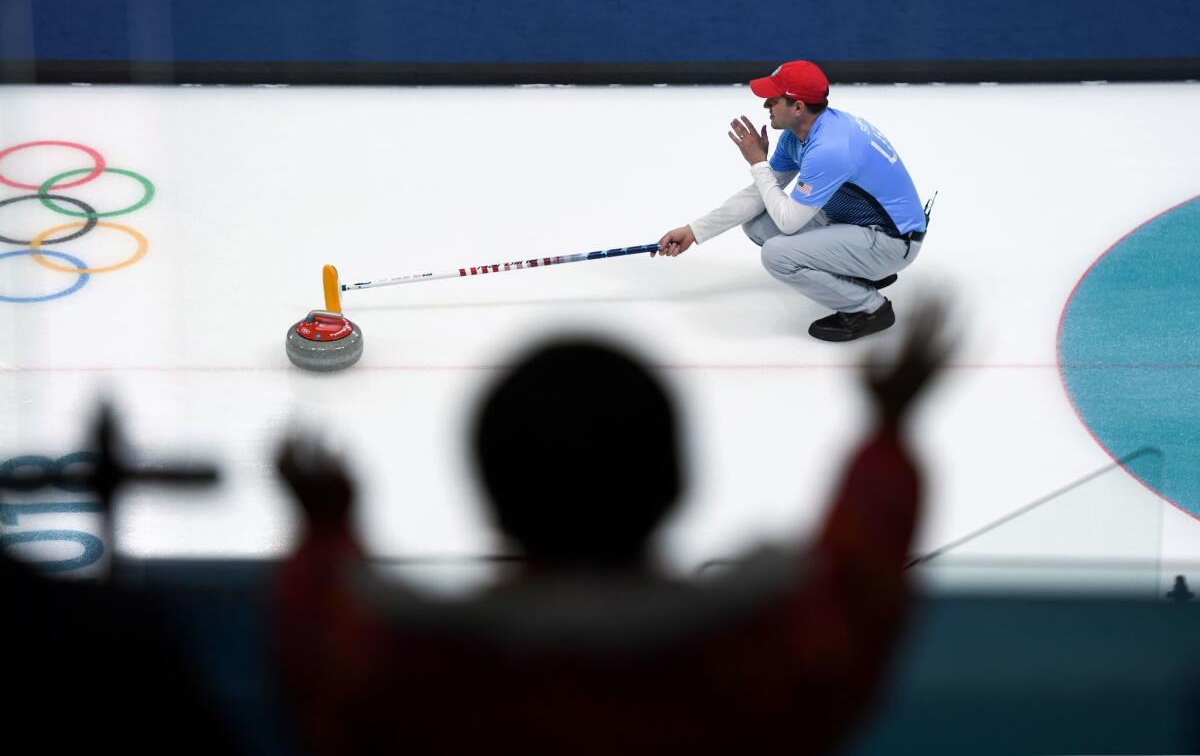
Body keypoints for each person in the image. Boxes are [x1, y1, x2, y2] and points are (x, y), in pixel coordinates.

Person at [272, 301, 951, 755]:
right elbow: (858, 588)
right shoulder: (761, 668)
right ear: (678, 486)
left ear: (491, 498)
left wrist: (324, 527)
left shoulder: (406, 680)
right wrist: (888, 431)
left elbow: (315, 653)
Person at [657, 60, 930, 342]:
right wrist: (694, 231)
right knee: (758, 223)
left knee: (776, 254)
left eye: (773, 100)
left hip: (892, 243)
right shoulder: (798, 135)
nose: (765, 106)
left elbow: (788, 223)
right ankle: (857, 274)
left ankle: (870, 309)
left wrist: (759, 164)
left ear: (797, 107)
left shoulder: (829, 149)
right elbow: (758, 194)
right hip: (855, 224)